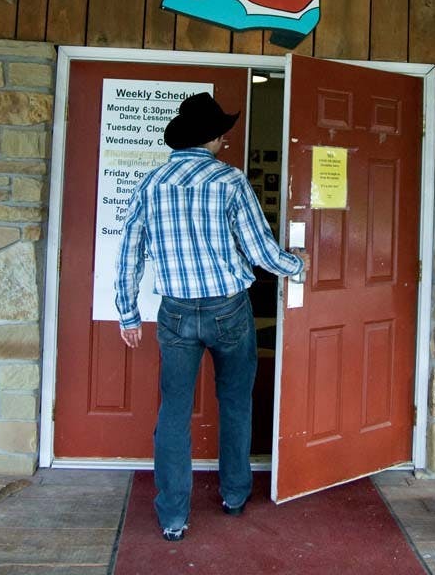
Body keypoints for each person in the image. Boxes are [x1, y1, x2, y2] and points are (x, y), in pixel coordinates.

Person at [114, 91, 310, 542]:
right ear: (214, 138)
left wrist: (128, 314)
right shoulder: (230, 182)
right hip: (228, 307)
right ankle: (235, 495)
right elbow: (261, 252)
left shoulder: (152, 183)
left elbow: (130, 252)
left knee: (174, 411)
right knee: (237, 403)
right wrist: (297, 266)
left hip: (176, 312)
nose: (225, 140)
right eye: (223, 134)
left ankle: (172, 516)